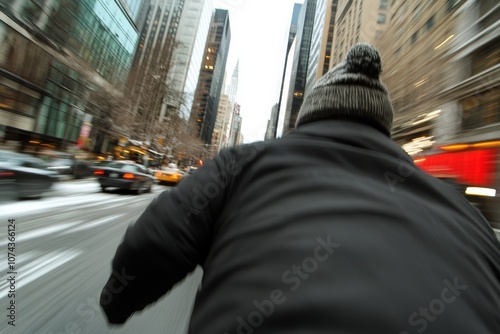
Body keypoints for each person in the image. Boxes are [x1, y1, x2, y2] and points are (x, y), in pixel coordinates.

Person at [100, 43, 500, 333]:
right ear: (384, 128)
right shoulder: (461, 209)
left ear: (309, 115)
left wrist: (116, 303)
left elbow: (150, 244)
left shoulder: (241, 164)